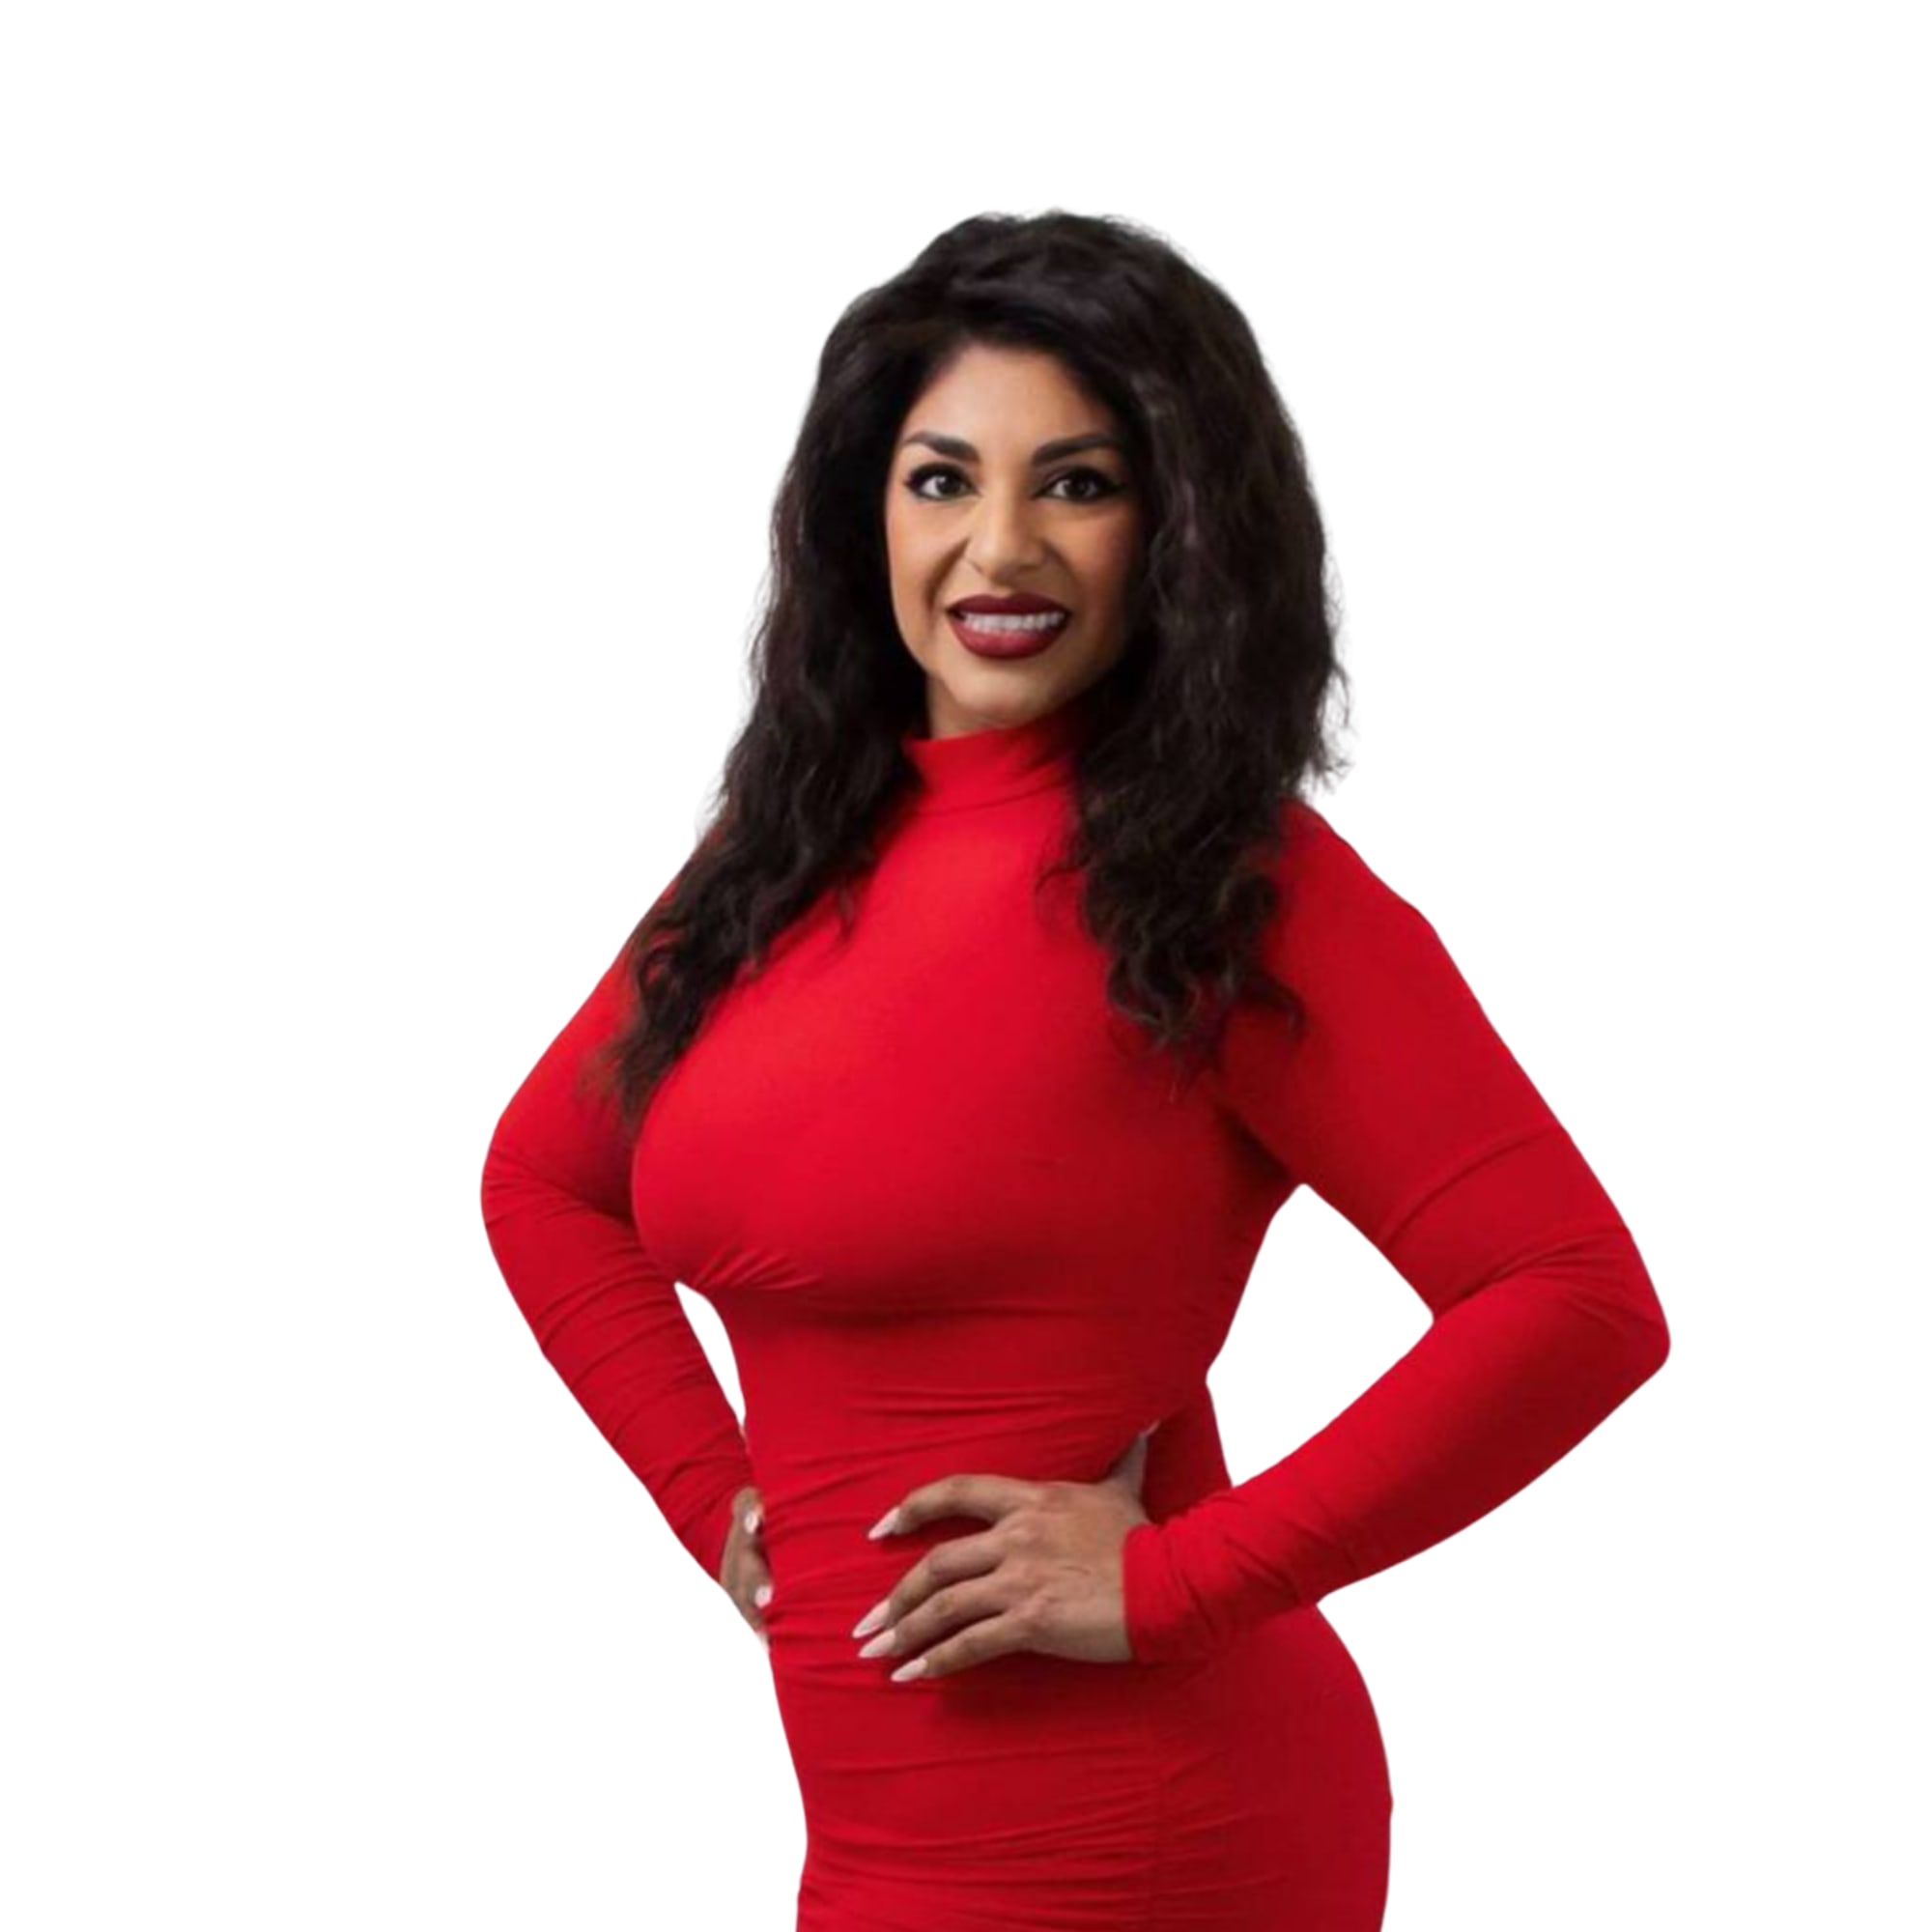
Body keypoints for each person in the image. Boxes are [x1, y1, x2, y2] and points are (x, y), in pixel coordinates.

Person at [479, 210, 1670, 1931]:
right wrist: (708, 1492)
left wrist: (1178, 1578)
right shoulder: (777, 862)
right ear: (865, 513)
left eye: (1081, 485)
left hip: (1154, 1828)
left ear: (1177, 527)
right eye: (942, 481)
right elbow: (545, 1181)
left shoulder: (1235, 889)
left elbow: (1571, 1297)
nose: (1001, 548)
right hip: (879, 1845)